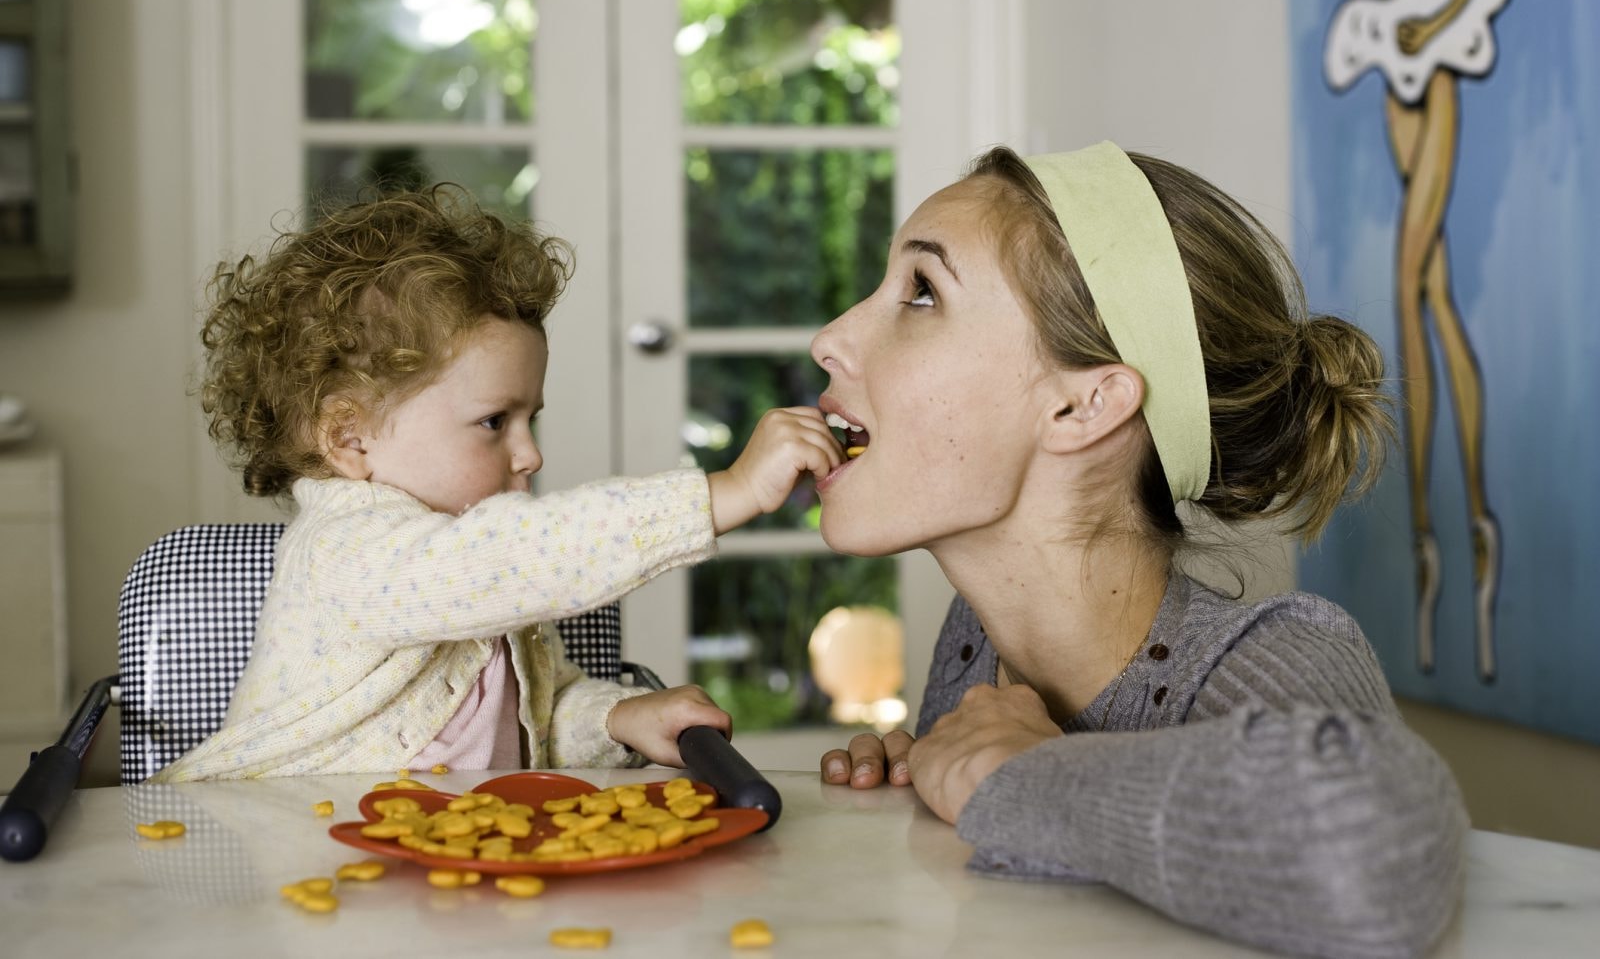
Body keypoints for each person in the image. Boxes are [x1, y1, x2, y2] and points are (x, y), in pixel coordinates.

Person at [812, 142, 1467, 958]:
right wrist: (942, 775)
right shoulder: (975, 643)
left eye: (920, 292)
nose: (830, 340)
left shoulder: (1267, 658)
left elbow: (1376, 856)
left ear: (1083, 406)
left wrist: (1006, 775)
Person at [155, 186, 839, 781]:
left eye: (530, 418)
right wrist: (728, 491)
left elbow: (525, 725)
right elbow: (504, 558)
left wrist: (618, 718)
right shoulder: (346, 553)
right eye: (493, 422)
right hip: (291, 860)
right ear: (348, 438)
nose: (530, 454)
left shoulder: (474, 564)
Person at [1324, 0, 1514, 682]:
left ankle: (1448, 527)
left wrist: (1431, 31)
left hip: (1433, 55)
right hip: (1403, 58)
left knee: (1410, 296)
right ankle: (1460, 534)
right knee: (1433, 299)